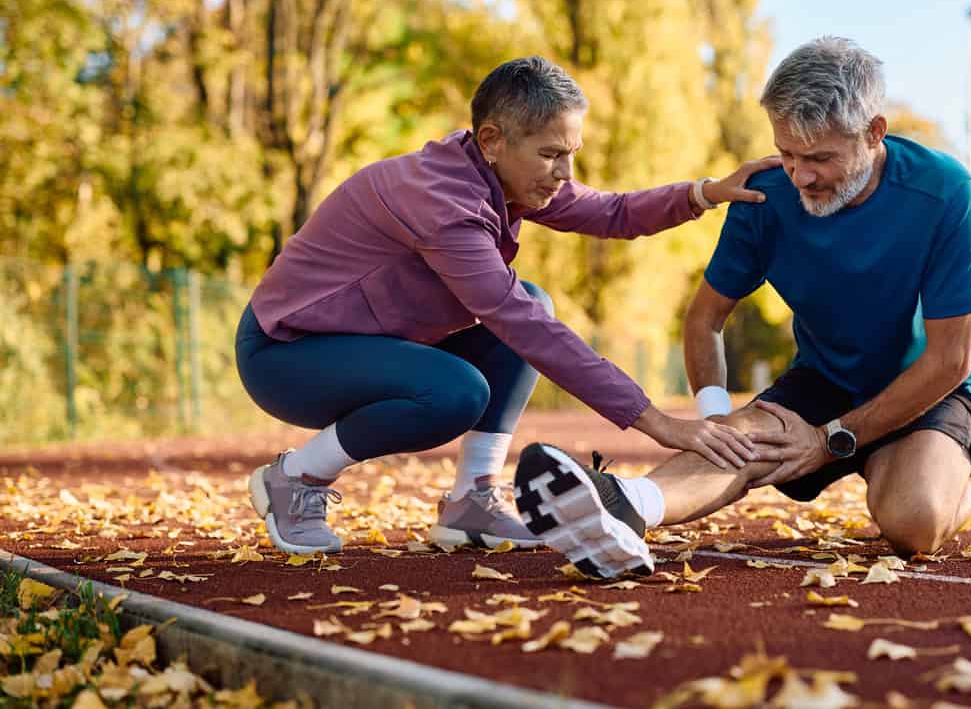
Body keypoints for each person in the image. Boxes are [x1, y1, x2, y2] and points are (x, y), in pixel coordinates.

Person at [236, 56, 777, 555]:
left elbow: (611, 212)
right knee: (459, 387)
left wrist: (705, 193)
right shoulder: (444, 203)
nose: (564, 173)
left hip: (362, 344)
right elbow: (525, 326)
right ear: (492, 139)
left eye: (571, 154)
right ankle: (296, 477)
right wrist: (658, 423)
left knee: (531, 302)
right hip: (287, 354)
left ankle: (472, 502)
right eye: (550, 154)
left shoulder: (497, 172)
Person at [513, 37, 971, 578]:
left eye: (819, 158)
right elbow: (704, 319)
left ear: (874, 133)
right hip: (825, 379)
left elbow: (950, 360)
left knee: (913, 523)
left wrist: (832, 439)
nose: (800, 176)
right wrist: (716, 422)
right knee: (738, 441)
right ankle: (624, 504)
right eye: (787, 153)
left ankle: (940, 477)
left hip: (925, 386)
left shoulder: (947, 192)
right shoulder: (765, 195)